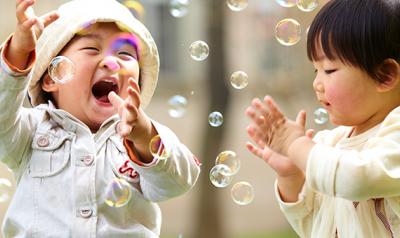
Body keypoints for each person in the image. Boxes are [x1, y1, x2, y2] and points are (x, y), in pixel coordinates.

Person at [0, 0, 201, 237]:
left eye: (125, 53)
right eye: (92, 49)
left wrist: (145, 138)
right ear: (52, 76)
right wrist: (19, 53)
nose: (111, 61)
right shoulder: (30, 131)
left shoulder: (146, 137)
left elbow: (176, 184)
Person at [245, 0, 400, 237]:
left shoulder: (395, 135)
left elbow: (356, 179)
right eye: (315, 70)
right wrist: (291, 177)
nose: (316, 83)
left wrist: (296, 144)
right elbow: (316, 228)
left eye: (329, 70)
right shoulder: (331, 143)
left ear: (385, 76)